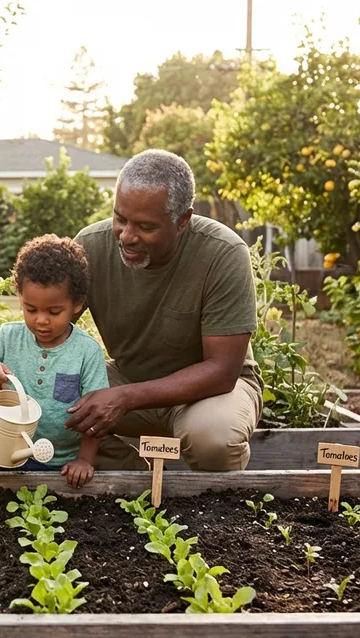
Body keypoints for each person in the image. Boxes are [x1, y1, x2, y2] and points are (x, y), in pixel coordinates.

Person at [64, 148, 262, 472]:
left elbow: (223, 370)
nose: (126, 236)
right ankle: (143, 479)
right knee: (52, 403)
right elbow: (49, 324)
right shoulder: (91, 247)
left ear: (183, 220)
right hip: (129, 379)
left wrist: (126, 398)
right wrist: (2, 378)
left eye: (145, 226)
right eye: (120, 218)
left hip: (208, 393)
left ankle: (220, 511)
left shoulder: (222, 253)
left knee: (214, 438)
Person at [0, 235, 109, 487]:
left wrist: (84, 460)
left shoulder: (86, 351)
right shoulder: (9, 336)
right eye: (31, 309)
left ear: (77, 304)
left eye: (54, 312)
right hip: (4, 452)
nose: (41, 320)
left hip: (60, 462)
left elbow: (96, 415)